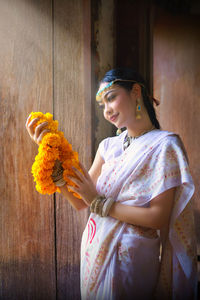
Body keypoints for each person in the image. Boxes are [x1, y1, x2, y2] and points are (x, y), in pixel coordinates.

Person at [26, 68, 197, 300]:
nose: (106, 110)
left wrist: (99, 203)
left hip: (131, 258)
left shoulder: (165, 145)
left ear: (135, 91)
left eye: (111, 97)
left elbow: (159, 217)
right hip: (94, 250)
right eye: (102, 105)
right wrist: (49, 152)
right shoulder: (108, 146)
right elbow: (80, 202)